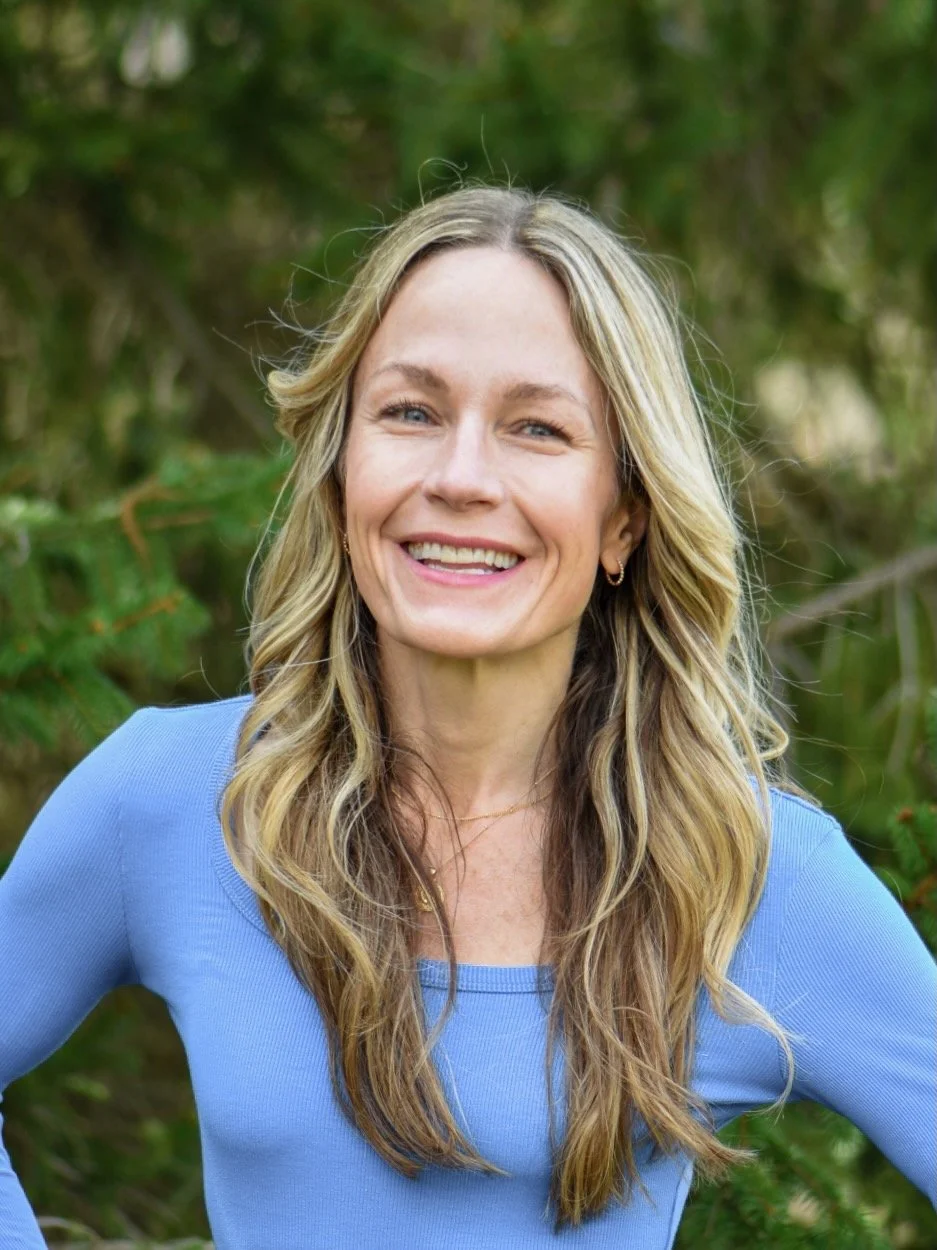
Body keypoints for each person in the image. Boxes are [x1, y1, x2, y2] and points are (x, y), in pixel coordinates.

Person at [1, 185, 934, 1249]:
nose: (459, 476)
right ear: (342, 463)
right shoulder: (168, 800)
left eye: (536, 427)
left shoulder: (745, 873)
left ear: (623, 516)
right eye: (411, 411)